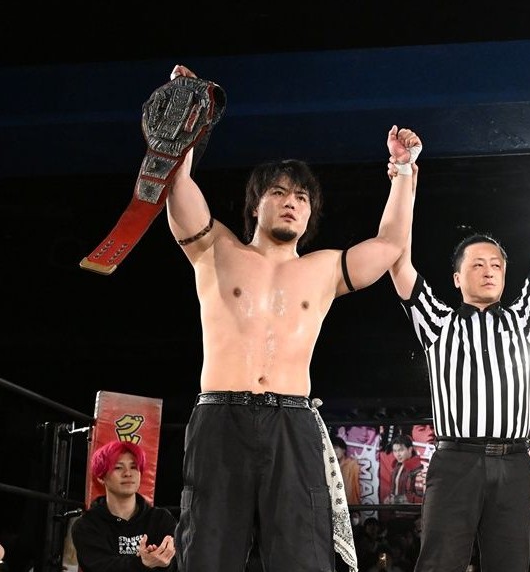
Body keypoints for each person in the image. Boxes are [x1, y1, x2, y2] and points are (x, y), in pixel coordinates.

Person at [166, 64, 420, 571]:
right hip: (220, 417)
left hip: (293, 419)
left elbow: (390, 244)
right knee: (208, 553)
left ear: (310, 214)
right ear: (255, 205)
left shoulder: (323, 269)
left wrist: (403, 170)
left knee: (302, 555)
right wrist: (182, 115)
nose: (291, 203)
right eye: (279, 193)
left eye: (301, 198)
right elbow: (177, 186)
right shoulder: (216, 249)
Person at [385, 146, 530, 571]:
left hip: (514, 461)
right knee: (439, 564)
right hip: (455, 460)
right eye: (477, 264)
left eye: (496, 264)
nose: (489, 270)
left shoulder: (523, 318)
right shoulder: (438, 321)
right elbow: (397, 260)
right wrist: (403, 178)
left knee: (510, 565)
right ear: (457, 278)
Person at [71, 441, 177, 571]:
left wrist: (165, 562)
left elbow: (180, 563)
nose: (128, 473)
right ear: (101, 477)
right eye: (118, 468)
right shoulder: (87, 525)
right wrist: (143, 563)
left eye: (134, 467)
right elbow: (102, 567)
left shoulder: (161, 519)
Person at [383, 434, 425, 508]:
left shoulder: (418, 468)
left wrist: (399, 499)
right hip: (396, 511)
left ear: (410, 449)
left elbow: (422, 498)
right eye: (395, 451)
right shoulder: (396, 467)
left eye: (401, 450)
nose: (397, 454)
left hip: (412, 512)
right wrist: (389, 498)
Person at [333, 435, 362, 506]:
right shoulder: (330, 468)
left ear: (343, 450)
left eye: (336, 448)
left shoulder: (352, 465)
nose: (334, 451)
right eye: (331, 449)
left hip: (351, 505)